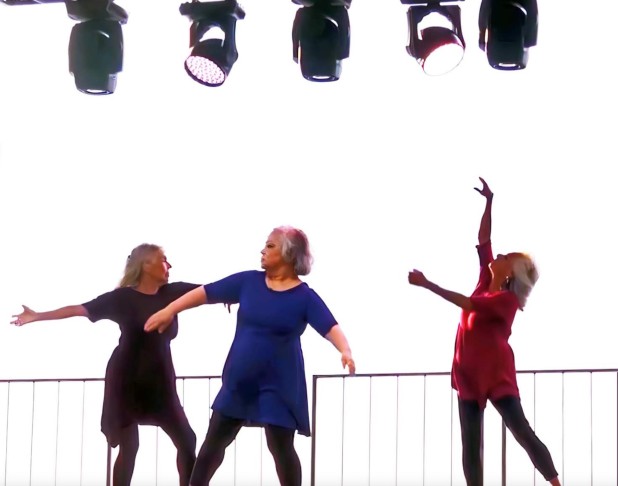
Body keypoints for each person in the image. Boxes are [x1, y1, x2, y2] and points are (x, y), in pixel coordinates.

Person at [143, 225, 355, 486]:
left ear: (289, 254)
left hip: (278, 387)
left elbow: (330, 326)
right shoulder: (248, 282)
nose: (263, 251)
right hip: (239, 382)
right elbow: (205, 293)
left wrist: (345, 351)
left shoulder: (304, 297)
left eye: (270, 246)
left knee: (281, 449)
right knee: (213, 445)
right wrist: (170, 310)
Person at [407, 178, 561, 486]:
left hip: (496, 373)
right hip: (468, 373)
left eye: (506, 259)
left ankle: (555, 482)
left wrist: (428, 284)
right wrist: (489, 202)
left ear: (510, 275)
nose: (499, 256)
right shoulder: (484, 280)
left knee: (521, 431)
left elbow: (467, 304)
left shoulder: (505, 301)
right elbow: (483, 240)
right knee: (471, 445)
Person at [9, 243, 201, 486]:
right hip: (126, 380)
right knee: (130, 447)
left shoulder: (173, 293)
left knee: (187, 440)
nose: (169, 265)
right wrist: (36, 316)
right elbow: (79, 309)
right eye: (164, 259)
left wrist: (244, 294)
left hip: (159, 381)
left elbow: (211, 291)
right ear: (146, 265)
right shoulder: (122, 298)